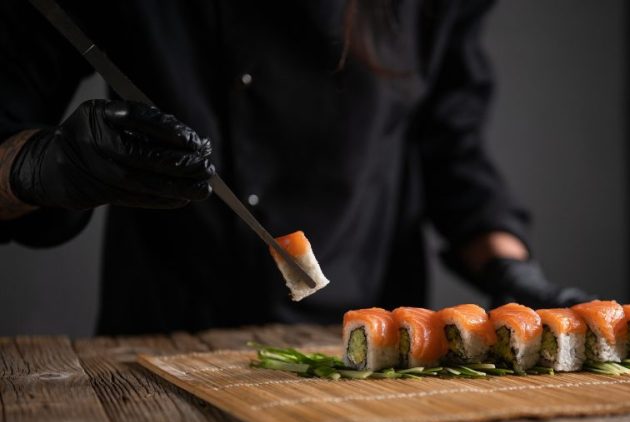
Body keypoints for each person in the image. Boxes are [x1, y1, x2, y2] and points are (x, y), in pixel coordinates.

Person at [0, 0, 589, 335]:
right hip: (160, 340)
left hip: (370, 341)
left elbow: (452, 150)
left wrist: (515, 276)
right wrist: (39, 166)